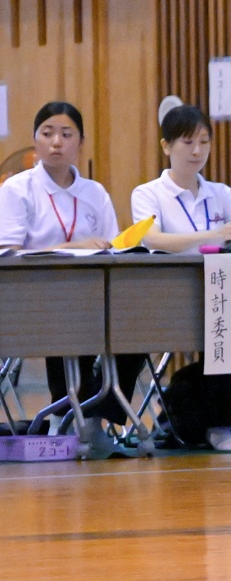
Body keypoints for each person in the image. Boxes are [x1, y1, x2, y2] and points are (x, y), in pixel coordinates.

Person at [132, 103, 231, 451]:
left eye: (204, 142)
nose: (197, 151)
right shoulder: (148, 193)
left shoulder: (220, 192)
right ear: (166, 146)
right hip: (174, 294)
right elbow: (153, 239)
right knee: (220, 334)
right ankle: (216, 424)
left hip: (223, 287)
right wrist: (210, 236)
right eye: (187, 142)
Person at [0, 102, 140, 424]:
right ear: (34, 140)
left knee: (139, 324)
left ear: (81, 142)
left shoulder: (95, 192)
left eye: (66, 134)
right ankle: (71, 417)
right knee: (70, 318)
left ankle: (94, 414)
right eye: (47, 133)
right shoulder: (17, 189)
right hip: (32, 298)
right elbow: (8, 253)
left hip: (92, 298)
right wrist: (72, 247)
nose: (56, 142)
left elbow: (113, 249)